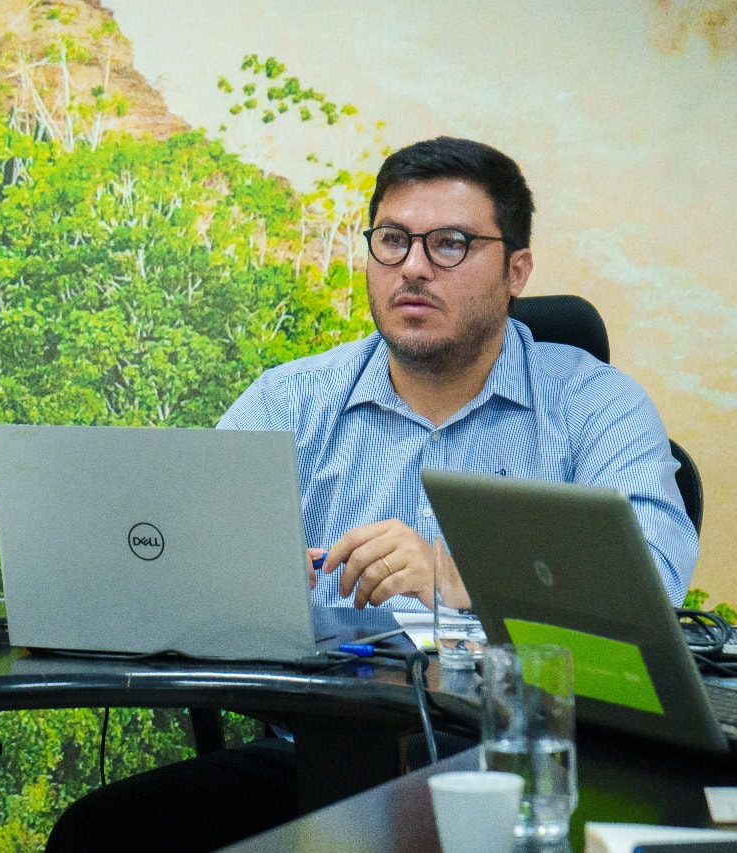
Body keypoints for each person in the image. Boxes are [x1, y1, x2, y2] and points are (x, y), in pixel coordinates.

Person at [46, 136, 698, 851]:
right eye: (392, 241)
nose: (413, 267)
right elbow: (176, 552)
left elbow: (653, 583)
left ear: (517, 269)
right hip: (321, 756)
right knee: (102, 833)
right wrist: (237, 580)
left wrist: (453, 572)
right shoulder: (289, 400)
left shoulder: (595, 405)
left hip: (521, 761)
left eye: (449, 244)